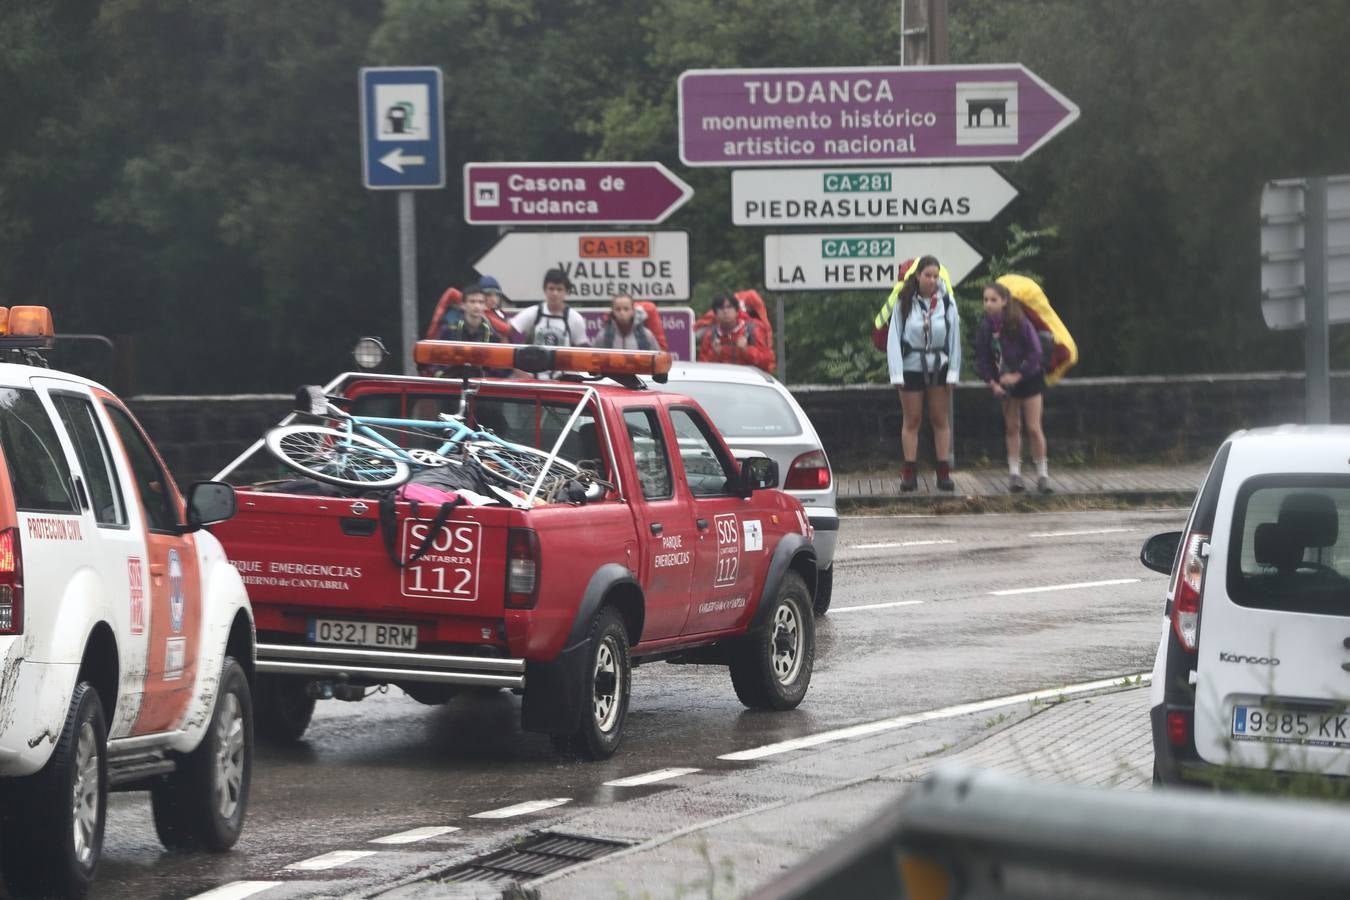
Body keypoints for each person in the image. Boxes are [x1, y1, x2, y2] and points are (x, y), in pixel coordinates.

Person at [874, 255, 961, 492]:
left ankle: (943, 471)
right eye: (927, 275)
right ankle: (909, 472)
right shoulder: (905, 301)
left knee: (939, 419)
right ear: (918, 276)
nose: (932, 280)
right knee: (912, 419)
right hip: (911, 364)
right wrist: (896, 373)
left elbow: (954, 338)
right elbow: (893, 338)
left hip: (938, 365)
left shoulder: (946, 301)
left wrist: (954, 371)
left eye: (936, 276)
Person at [976, 281, 1051, 493]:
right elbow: (983, 359)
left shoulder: (1019, 321)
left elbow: (1035, 352)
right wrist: (993, 383)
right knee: (1012, 427)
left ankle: (1042, 474)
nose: (988, 304)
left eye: (993, 300)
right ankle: (1014, 474)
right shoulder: (986, 327)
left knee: (1034, 427)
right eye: (986, 300)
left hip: (1029, 377)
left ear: (1004, 301)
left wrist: (1018, 374)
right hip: (1005, 382)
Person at [697, 292, 775, 373]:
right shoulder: (710, 335)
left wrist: (746, 350)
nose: (725, 311)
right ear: (715, 314)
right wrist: (715, 354)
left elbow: (768, 363)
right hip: (722, 382)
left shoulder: (754, 329)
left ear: (737, 311)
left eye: (729, 307)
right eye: (721, 308)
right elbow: (703, 370)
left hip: (749, 382)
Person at [509, 268, 589, 347]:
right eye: (551, 289)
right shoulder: (533, 313)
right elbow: (507, 331)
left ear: (566, 291)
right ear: (545, 290)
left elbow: (583, 350)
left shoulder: (575, 319)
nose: (555, 293)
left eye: (559, 289)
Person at [594, 294, 659, 350]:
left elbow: (657, 360)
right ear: (612, 311)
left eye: (626, 309)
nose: (622, 313)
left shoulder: (646, 335)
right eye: (618, 309)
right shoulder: (603, 336)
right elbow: (594, 360)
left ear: (633, 311)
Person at [477, 274, 514, 340]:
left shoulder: (501, 313)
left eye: (496, 295)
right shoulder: (475, 314)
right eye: (489, 295)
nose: (494, 299)